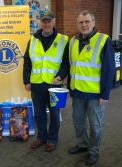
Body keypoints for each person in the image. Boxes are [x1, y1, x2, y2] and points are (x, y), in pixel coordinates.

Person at [68, 10, 115, 166]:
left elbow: (109, 69)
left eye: (87, 21)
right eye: (81, 22)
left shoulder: (103, 40)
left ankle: (93, 151)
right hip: (77, 92)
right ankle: (82, 144)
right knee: (78, 122)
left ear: (93, 22)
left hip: (95, 95)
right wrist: (70, 88)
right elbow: (72, 66)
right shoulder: (73, 41)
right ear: (77, 24)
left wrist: (105, 94)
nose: (84, 25)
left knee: (95, 125)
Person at [23, 11, 69, 152]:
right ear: (40, 23)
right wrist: (26, 80)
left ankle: (52, 139)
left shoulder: (63, 40)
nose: (46, 24)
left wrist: (60, 76)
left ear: (54, 22)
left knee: (55, 114)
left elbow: (66, 62)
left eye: (49, 21)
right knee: (39, 113)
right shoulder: (33, 40)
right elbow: (27, 61)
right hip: (36, 84)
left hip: (54, 85)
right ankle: (41, 137)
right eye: (44, 21)